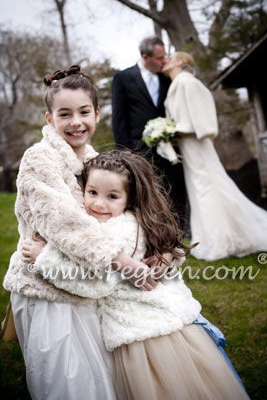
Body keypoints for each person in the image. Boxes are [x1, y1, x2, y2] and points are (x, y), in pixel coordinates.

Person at [24, 150, 250, 400]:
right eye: (92, 193)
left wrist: (44, 257)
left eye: (112, 196)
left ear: (129, 199)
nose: (99, 203)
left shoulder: (113, 232)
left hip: (142, 337)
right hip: (171, 323)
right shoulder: (136, 221)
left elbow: (96, 284)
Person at [3, 66, 158, 400]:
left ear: (97, 114)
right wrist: (120, 259)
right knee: (69, 384)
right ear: (49, 118)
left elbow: (122, 211)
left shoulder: (96, 160)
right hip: (45, 287)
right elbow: (62, 221)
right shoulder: (39, 159)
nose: (76, 122)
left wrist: (150, 249)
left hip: (86, 283)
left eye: (84, 112)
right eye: (65, 114)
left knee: (100, 378)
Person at [162, 51, 267, 260]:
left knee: (208, 189)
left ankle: (221, 242)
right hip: (188, 148)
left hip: (198, 147)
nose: (166, 61)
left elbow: (202, 121)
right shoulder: (177, 85)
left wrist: (169, 131)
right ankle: (211, 239)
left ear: (181, 62)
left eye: (171, 58)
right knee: (201, 191)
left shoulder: (188, 83)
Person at [112, 36, 186, 226]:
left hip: (169, 144)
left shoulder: (167, 77)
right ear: (145, 57)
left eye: (165, 56)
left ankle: (179, 229)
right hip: (139, 147)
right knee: (147, 190)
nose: (165, 61)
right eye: (160, 58)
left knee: (176, 186)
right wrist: (124, 149)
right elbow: (119, 116)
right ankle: (152, 229)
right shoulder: (123, 78)